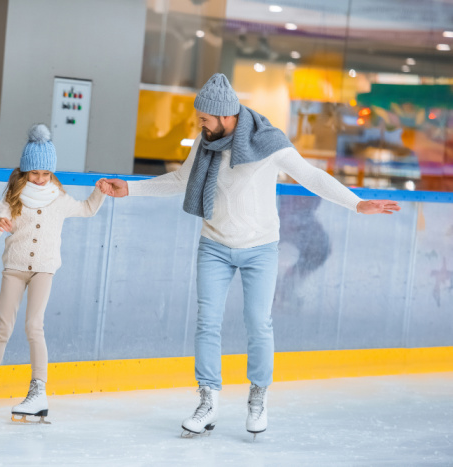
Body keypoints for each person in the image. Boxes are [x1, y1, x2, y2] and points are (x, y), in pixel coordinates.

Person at [98, 73, 400, 438]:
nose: (200, 125)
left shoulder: (268, 143)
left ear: (225, 117)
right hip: (214, 245)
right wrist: (129, 188)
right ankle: (207, 400)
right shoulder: (206, 142)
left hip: (259, 249)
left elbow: (311, 176)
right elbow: (180, 180)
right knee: (207, 323)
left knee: (259, 324)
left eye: (205, 120)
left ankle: (258, 397)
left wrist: (357, 203)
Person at [0, 124, 108, 423]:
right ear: (25, 171)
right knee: (3, 327)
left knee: (34, 326)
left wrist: (99, 193)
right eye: (35, 174)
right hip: (15, 268)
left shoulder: (58, 198)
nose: (41, 179)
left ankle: (38, 390)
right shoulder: (13, 195)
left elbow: (86, 209)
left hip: (44, 269)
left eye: (45, 174)